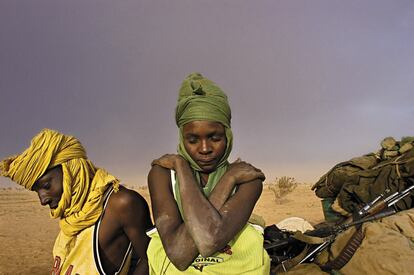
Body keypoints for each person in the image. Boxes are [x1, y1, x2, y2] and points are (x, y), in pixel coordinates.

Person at [147, 73, 271, 274]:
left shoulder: (248, 179)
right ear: (181, 138)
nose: (205, 149)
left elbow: (208, 240)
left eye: (215, 137)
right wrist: (183, 167)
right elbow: (179, 255)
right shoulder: (163, 175)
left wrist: (229, 177)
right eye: (193, 140)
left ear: (228, 136)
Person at [0, 129, 152, 275]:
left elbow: (152, 261)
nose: (42, 199)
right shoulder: (73, 212)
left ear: (70, 170)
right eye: (36, 191)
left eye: (46, 186)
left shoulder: (121, 205)